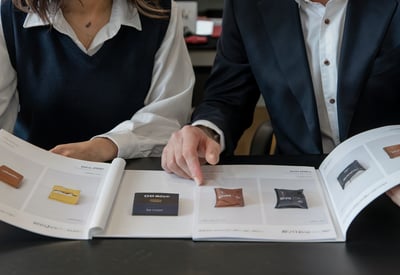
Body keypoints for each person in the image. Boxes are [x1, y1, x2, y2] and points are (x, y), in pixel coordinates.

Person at [161, 0, 400, 205]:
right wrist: (205, 131)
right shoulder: (247, 6)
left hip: (389, 180)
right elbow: (228, 96)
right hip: (301, 183)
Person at [0, 0, 194, 162]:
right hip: (34, 176)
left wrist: (105, 146)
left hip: (129, 174)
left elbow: (167, 116)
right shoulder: (8, 13)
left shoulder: (161, 12)